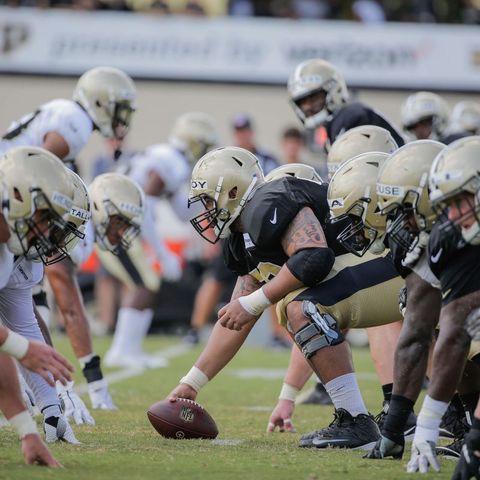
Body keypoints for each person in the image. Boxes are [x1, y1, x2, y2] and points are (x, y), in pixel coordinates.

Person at [167, 146, 405, 449]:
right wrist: (192, 383)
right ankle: (375, 419)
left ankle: (359, 421)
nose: (205, 211)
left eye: (208, 200)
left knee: (300, 306)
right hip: (370, 278)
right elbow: (235, 316)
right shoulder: (241, 239)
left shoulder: (270, 200)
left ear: (233, 191)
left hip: (397, 267)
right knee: (296, 307)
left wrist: (254, 303)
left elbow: (313, 258)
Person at [0, 65, 137, 417]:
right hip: (12, 203)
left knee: (25, 302)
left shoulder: (64, 114)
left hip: (14, 202)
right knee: (43, 287)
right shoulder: (73, 124)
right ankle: (58, 388)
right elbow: (42, 173)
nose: (122, 117)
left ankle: (48, 393)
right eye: (119, 107)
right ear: (102, 101)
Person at [103, 112, 219, 368]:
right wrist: (161, 251)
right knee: (146, 282)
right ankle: (122, 350)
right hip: (117, 221)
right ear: (194, 142)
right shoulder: (171, 162)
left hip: (119, 217)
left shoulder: (166, 157)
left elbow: (181, 211)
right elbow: (147, 204)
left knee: (147, 283)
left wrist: (206, 198)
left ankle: (130, 349)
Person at [0, 146, 87, 443]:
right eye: (45, 219)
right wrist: (19, 348)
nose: (48, 236)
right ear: (19, 197)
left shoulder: (14, 246)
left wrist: (52, 410)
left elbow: (22, 325)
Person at [406, 136, 480, 473]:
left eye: (460, 201)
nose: (452, 215)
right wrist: (427, 426)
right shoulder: (455, 237)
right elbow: (454, 334)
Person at [287, 58, 405, 149]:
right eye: (302, 102)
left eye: (314, 98)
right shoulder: (334, 124)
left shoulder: (351, 117)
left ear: (334, 90)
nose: (308, 106)